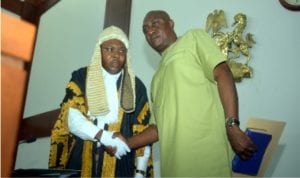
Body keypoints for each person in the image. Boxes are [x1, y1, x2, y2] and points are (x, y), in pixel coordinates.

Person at [141, 10, 257, 177]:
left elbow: (223, 73)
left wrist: (232, 125)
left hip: (207, 163)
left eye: (155, 24)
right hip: (173, 170)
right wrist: (124, 142)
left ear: (171, 23)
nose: (150, 31)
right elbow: (158, 129)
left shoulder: (193, 38)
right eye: (145, 30)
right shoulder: (156, 78)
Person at [48, 26, 154, 177]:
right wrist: (104, 136)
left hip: (122, 164)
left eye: (121, 51)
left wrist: (140, 173)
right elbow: (72, 119)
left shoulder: (136, 87)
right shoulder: (81, 77)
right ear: (99, 51)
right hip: (81, 160)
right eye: (110, 49)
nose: (116, 55)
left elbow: (143, 132)